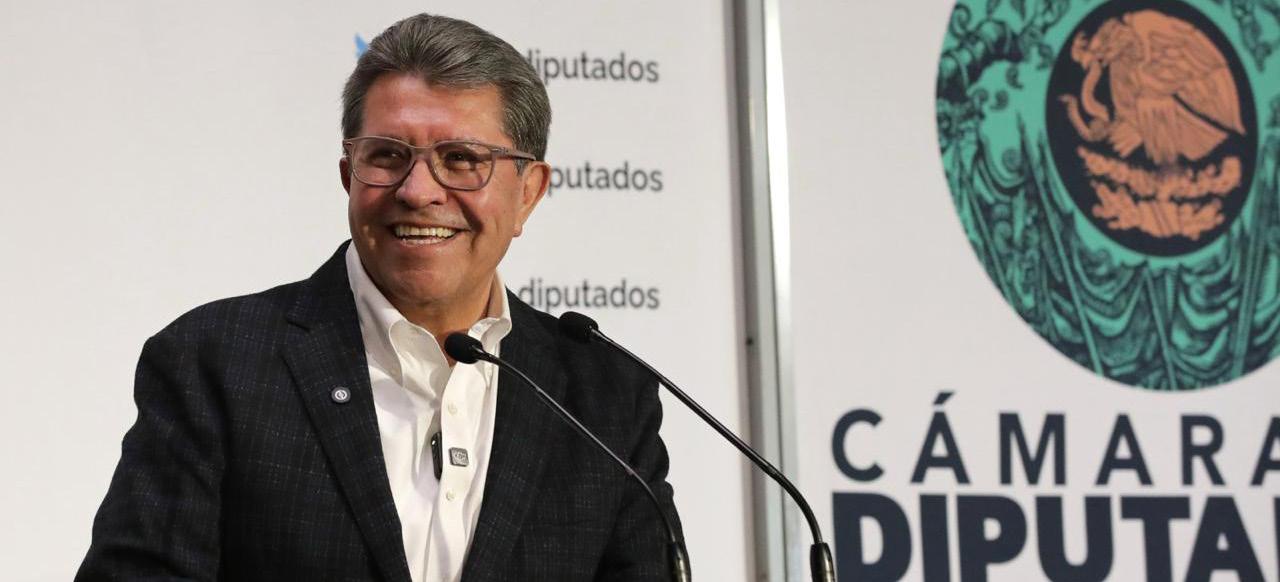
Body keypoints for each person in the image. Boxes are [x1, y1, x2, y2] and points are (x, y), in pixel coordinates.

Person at [77, 13, 681, 582]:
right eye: (388, 156)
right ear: (348, 175)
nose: (418, 191)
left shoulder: (604, 395)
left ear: (528, 192)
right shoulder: (218, 362)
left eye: (461, 159)